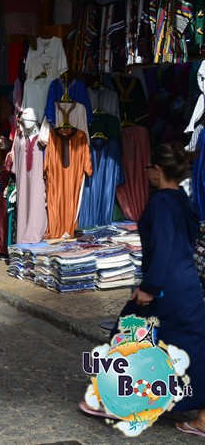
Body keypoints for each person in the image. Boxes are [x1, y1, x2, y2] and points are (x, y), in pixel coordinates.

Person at [82, 143, 205, 436]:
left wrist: (150, 287)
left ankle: (112, 400)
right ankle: (202, 417)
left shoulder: (161, 203)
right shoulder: (184, 200)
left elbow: (163, 246)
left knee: (127, 335)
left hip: (165, 286)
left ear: (158, 170)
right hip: (188, 286)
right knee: (193, 347)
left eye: (150, 168)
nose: (148, 173)